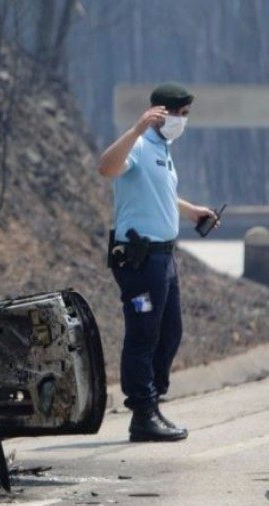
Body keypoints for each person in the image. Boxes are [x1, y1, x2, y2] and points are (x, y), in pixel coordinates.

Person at [97, 83, 218, 442]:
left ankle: (152, 402)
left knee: (170, 332)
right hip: (139, 260)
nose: (182, 121)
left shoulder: (163, 150)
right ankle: (142, 414)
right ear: (159, 113)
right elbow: (106, 167)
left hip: (163, 258)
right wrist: (136, 128)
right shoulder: (138, 144)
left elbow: (161, 193)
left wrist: (192, 211)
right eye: (178, 114)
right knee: (143, 334)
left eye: (185, 115)